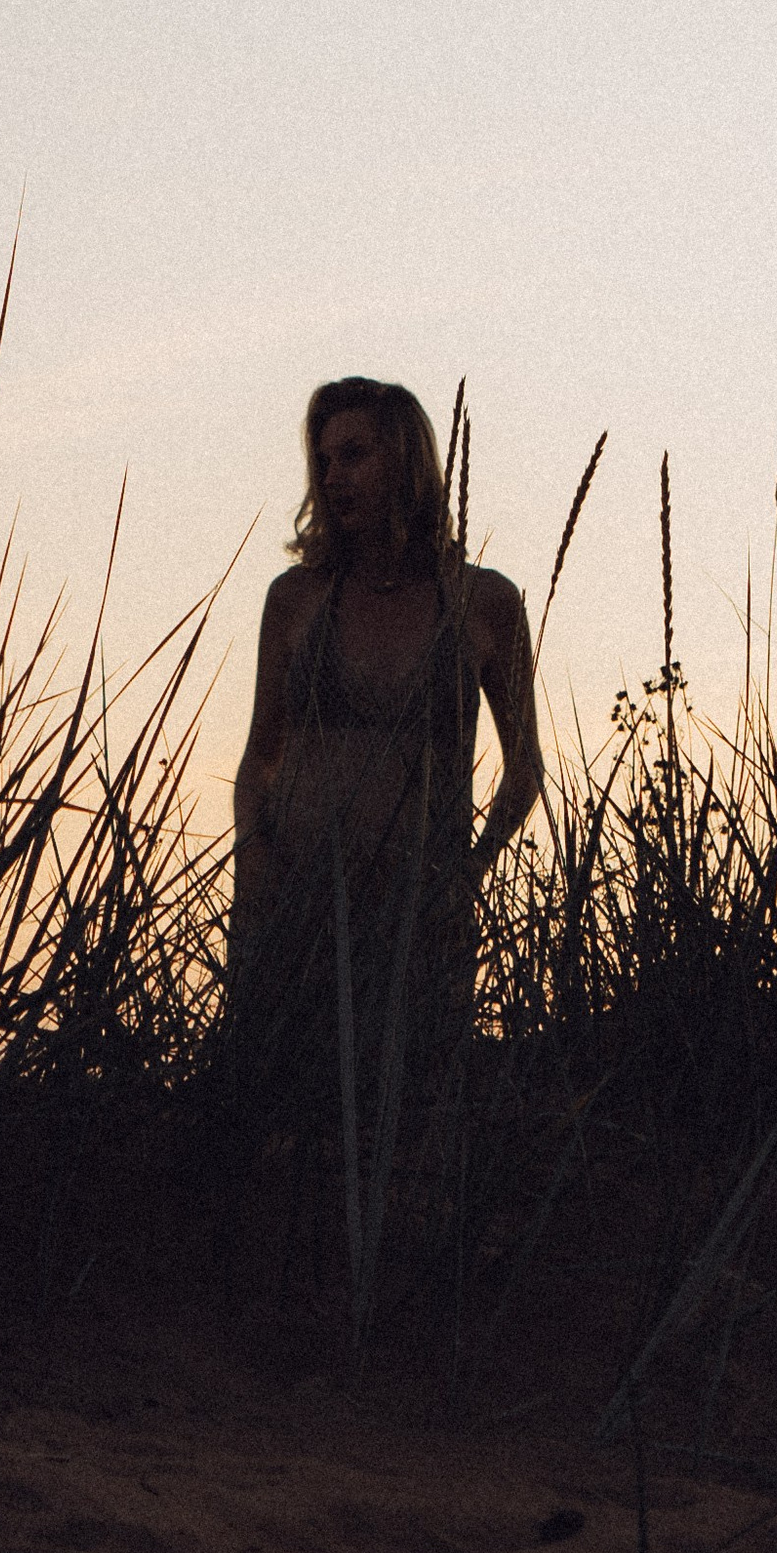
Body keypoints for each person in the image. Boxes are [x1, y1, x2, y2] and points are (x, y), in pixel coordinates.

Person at [227, 378, 546, 1073]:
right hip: (293, 905)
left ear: (406, 462)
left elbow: (525, 771)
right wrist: (253, 857)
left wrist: (465, 875)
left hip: (417, 918)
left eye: (355, 455)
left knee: (409, 1117)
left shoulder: (484, 603)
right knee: (275, 1113)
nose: (334, 476)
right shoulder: (295, 601)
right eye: (324, 460)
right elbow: (261, 757)